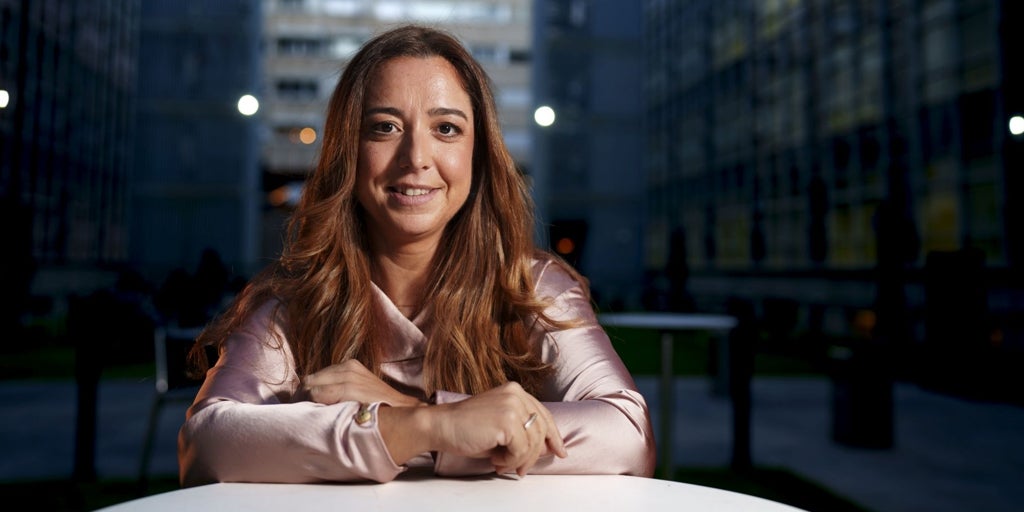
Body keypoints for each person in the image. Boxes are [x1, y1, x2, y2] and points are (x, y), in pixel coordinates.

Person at [177, 24, 656, 486]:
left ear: (478, 155)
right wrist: (426, 427)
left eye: (446, 128)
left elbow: (627, 435)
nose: (416, 158)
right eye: (384, 127)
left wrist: (414, 411)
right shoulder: (292, 303)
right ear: (348, 150)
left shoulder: (531, 287)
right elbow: (207, 442)